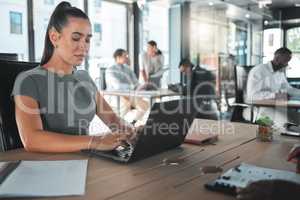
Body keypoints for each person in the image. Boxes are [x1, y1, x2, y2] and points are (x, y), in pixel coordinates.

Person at [12, 2, 133, 153]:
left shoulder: (84, 77)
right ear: (54, 37)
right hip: (48, 165)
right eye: (76, 38)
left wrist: (129, 131)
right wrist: (95, 141)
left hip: (85, 161)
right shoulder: (28, 80)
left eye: (87, 40)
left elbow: (112, 120)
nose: (84, 47)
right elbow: (31, 140)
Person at [245, 47, 300, 126]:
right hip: (257, 110)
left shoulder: (280, 72)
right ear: (277, 59)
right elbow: (252, 96)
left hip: (276, 107)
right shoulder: (259, 71)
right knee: (284, 123)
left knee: (297, 118)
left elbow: (288, 89)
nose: (287, 64)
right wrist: (276, 95)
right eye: (286, 61)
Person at [105, 49, 149, 123]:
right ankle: (119, 125)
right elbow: (117, 86)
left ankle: (133, 122)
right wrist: (133, 87)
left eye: (127, 56)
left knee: (145, 104)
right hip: (115, 95)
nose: (127, 58)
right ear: (118, 57)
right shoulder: (110, 70)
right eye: (125, 56)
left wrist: (140, 87)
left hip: (129, 95)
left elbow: (136, 82)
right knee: (125, 105)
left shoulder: (128, 69)